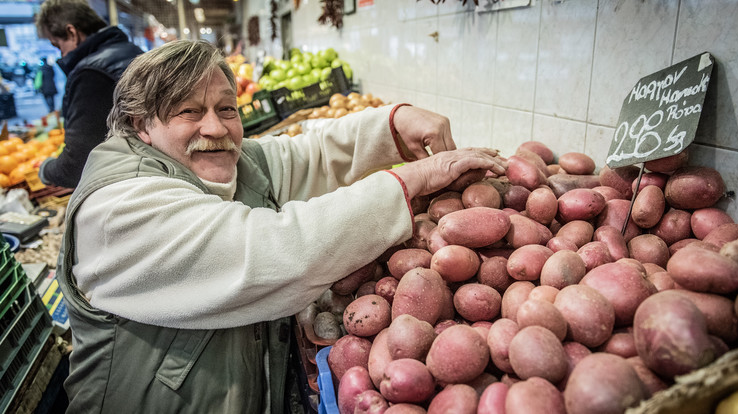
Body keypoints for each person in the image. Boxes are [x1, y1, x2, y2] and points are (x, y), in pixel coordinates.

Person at [56, 39, 506, 413]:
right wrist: (414, 179)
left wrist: (392, 125)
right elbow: (277, 253)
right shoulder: (120, 207)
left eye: (226, 109)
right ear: (141, 125)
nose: (215, 128)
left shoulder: (225, 162)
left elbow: (305, 155)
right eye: (189, 111)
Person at [34, 0, 143, 188]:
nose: (60, 55)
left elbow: (78, 165)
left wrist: (45, 170)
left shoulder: (91, 73)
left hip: (121, 184)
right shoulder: (133, 52)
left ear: (71, 33)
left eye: (58, 45)